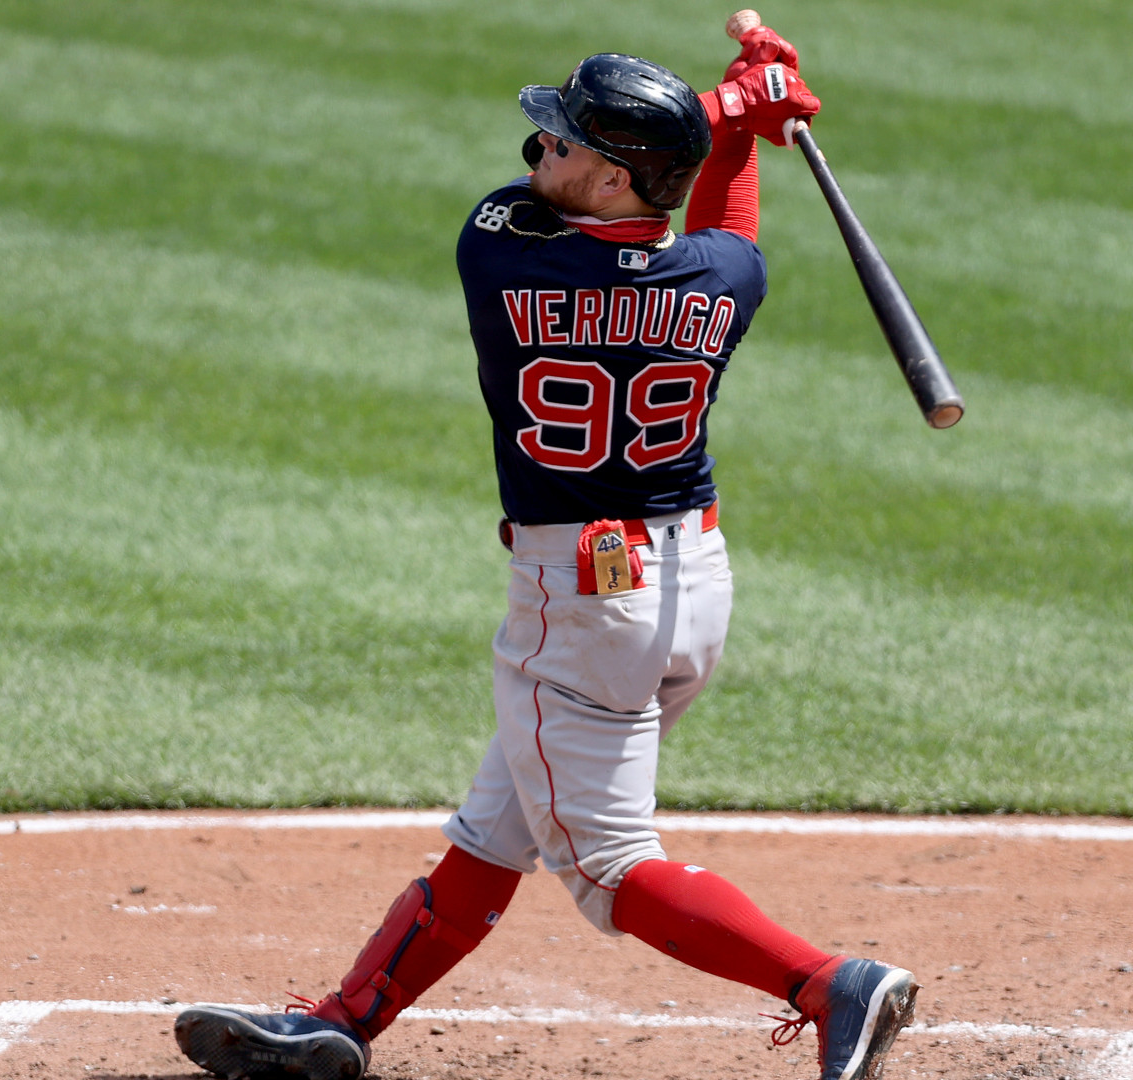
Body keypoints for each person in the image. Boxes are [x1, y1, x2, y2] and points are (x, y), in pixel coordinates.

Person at [174, 25, 920, 1080]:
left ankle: (826, 981)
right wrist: (745, 120)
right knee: (496, 827)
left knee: (610, 869)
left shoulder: (500, 250)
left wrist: (731, 106)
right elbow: (722, 211)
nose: (538, 153)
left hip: (582, 607)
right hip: (691, 592)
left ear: (614, 177)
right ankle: (343, 1023)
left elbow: (633, 182)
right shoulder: (724, 279)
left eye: (562, 144)